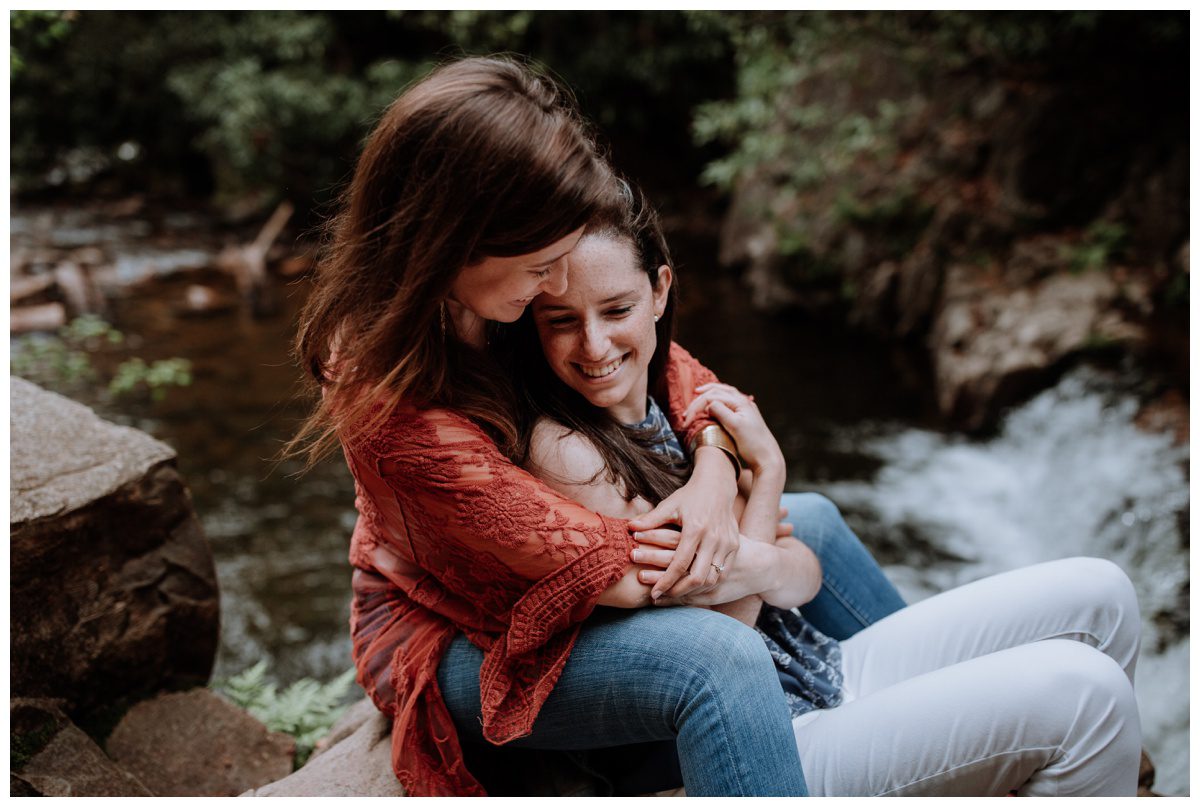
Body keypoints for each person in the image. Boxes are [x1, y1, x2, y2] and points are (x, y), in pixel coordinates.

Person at [289, 55, 901, 797]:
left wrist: (711, 474)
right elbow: (628, 573)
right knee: (718, 656)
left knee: (820, 527)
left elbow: (685, 377)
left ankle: (908, 711)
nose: (558, 282)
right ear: (456, 237)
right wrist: (750, 490)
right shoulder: (388, 398)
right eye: (543, 264)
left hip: (566, 556)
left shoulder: (499, 294)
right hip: (456, 627)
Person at [508, 183, 1145, 796]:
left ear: (660, 291)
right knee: (1084, 695)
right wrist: (767, 481)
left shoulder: (673, 395)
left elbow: (801, 577)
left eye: (616, 309)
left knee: (1102, 594)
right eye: (561, 320)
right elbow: (724, 634)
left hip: (811, 668)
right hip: (754, 739)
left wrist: (754, 548)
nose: (594, 344)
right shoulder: (568, 451)